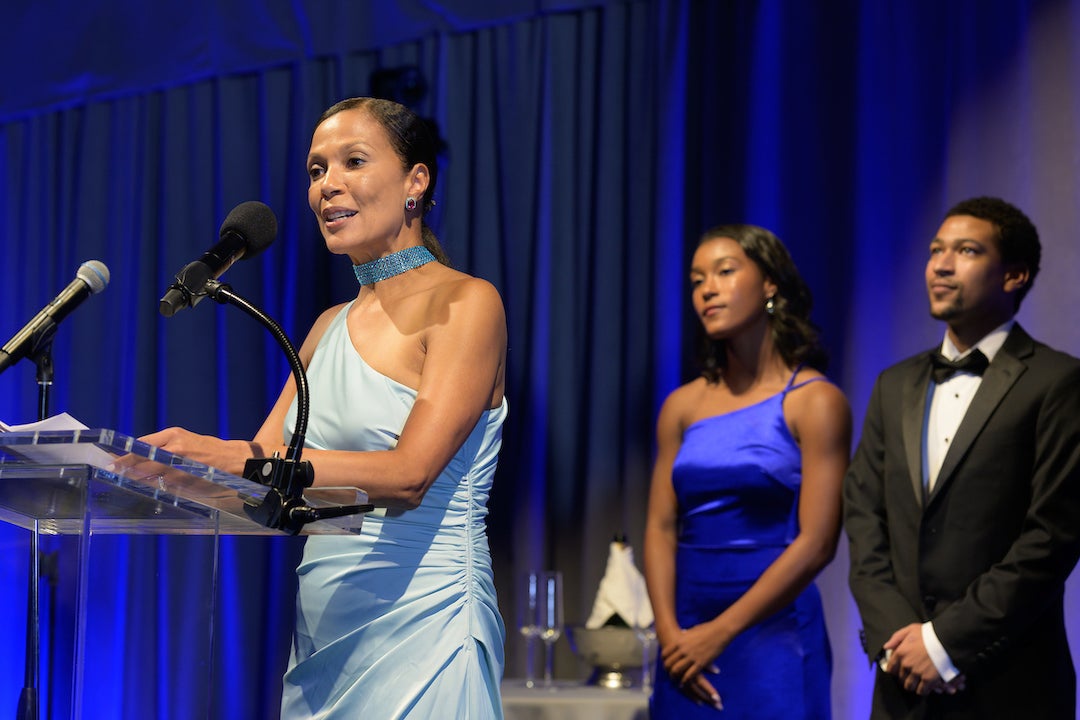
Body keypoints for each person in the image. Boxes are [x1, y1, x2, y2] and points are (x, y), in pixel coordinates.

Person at [143, 97, 509, 719]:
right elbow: (257, 479)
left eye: (353, 161)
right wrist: (138, 467)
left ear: (415, 181)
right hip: (322, 640)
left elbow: (409, 474)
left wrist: (226, 456)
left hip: (427, 623)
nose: (327, 186)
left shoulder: (467, 303)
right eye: (315, 170)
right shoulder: (326, 326)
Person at [843, 196, 1080, 719]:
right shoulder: (893, 384)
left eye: (967, 251)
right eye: (935, 250)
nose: (941, 265)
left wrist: (945, 644)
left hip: (1010, 680)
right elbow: (864, 521)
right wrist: (898, 641)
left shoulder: (1058, 381)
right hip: (900, 678)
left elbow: (1052, 537)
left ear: (1014, 275)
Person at [643, 224, 852, 719]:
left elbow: (818, 542)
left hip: (772, 635)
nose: (707, 289)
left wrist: (721, 633)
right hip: (685, 633)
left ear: (770, 284)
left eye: (725, 271)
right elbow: (659, 526)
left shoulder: (816, 401)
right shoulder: (682, 405)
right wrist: (671, 633)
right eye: (697, 280)